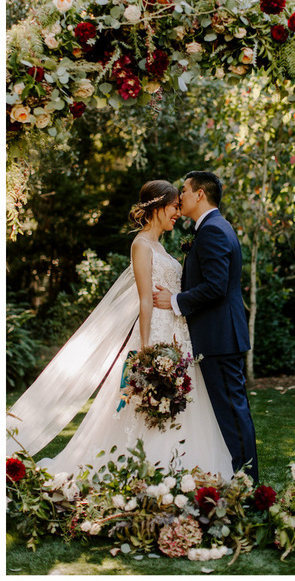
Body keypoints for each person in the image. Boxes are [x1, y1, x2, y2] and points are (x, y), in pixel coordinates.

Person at [6, 180, 233, 477]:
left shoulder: (159, 246)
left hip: (178, 335)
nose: (178, 212)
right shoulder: (140, 245)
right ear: (158, 206)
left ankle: (182, 469)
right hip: (156, 336)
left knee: (181, 401)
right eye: (175, 206)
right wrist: (147, 349)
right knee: (149, 403)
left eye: (179, 205)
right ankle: (149, 469)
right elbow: (144, 301)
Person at [154, 171, 259, 481]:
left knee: (233, 415)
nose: (180, 196)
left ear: (200, 194)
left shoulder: (213, 230)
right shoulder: (212, 228)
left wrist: (175, 301)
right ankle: (241, 479)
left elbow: (215, 286)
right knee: (232, 413)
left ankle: (248, 484)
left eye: (184, 190)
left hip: (220, 338)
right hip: (220, 336)